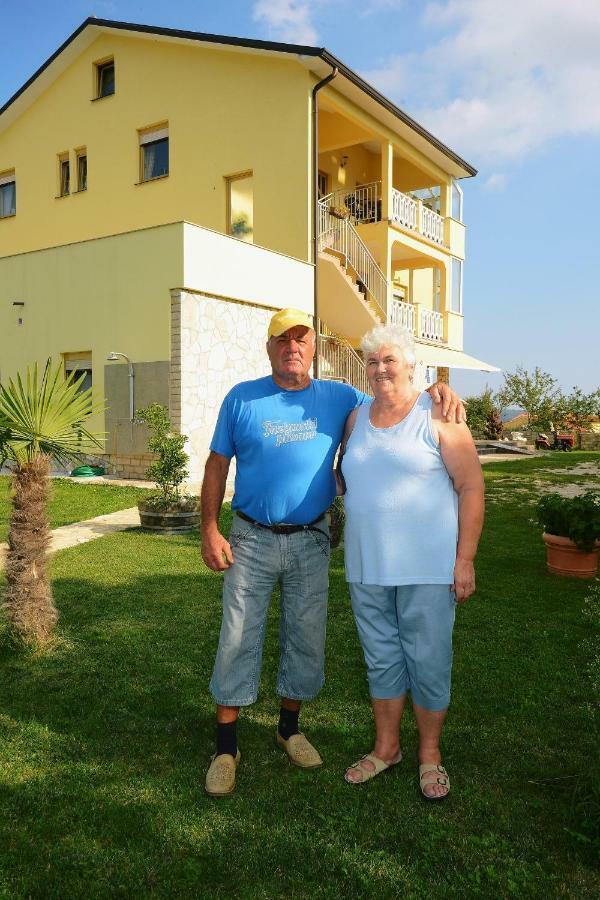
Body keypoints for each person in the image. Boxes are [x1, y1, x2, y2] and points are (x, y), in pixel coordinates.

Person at [201, 308, 465, 796]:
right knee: (238, 634)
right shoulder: (242, 398)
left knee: (305, 636)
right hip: (251, 539)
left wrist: (436, 390)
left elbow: (395, 396)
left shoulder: (341, 398)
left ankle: (288, 729)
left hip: (311, 539)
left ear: (314, 348)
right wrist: (210, 529)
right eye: (282, 340)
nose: (292, 348)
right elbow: (217, 465)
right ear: (269, 348)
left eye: (301, 339)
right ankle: (226, 745)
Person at [339, 323, 484, 799]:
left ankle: (429, 754)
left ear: (410, 366)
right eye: (373, 361)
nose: (380, 369)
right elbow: (350, 476)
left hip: (428, 566)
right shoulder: (356, 418)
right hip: (366, 565)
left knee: (429, 660)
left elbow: (471, 488)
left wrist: (464, 560)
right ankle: (386, 748)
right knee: (381, 660)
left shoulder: (439, 413)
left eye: (389, 360)